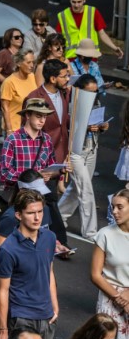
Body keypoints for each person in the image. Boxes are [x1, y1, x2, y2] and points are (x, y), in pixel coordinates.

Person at [0, 190, 59, 339]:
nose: (37, 218)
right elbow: (2, 290)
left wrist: (54, 305)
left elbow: (49, 272)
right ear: (18, 215)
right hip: (21, 317)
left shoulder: (50, 238)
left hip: (46, 316)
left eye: (40, 212)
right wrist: (3, 331)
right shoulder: (8, 249)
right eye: (31, 213)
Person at [59, 74, 106, 240]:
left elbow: (96, 124)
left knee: (76, 187)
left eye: (95, 91)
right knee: (86, 190)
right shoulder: (70, 104)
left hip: (91, 149)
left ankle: (59, 215)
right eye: (89, 92)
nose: (93, 95)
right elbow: (67, 128)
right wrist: (86, 127)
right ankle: (90, 232)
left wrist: (101, 127)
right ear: (79, 90)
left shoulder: (96, 102)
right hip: (75, 152)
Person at [91, 189, 129, 339]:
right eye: (113, 206)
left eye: (120, 207)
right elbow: (96, 275)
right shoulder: (105, 234)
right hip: (109, 296)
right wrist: (118, 297)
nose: (114, 211)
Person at [23, 59, 70, 166]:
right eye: (63, 77)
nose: (67, 79)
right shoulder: (34, 97)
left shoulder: (65, 93)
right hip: (41, 154)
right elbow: (27, 130)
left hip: (63, 150)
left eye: (67, 75)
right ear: (53, 79)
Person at [56, 0, 123, 60]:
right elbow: (58, 38)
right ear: (70, 1)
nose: (76, 5)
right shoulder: (63, 15)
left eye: (79, 2)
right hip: (71, 58)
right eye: (74, 2)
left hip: (90, 58)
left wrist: (114, 48)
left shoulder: (93, 12)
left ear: (84, 0)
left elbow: (102, 34)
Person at [0, 28, 25, 143]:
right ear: (9, 39)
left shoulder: (22, 53)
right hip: (7, 88)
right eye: (16, 37)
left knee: (14, 111)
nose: (20, 39)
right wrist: (7, 82)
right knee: (8, 111)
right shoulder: (4, 54)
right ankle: (7, 135)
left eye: (21, 36)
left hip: (19, 87)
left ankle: (1, 134)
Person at [1, 49, 38, 136]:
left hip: (31, 127)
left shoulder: (32, 77)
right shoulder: (9, 82)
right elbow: (4, 108)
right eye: (28, 62)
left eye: (33, 62)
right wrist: (9, 130)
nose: (32, 65)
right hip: (15, 128)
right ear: (18, 63)